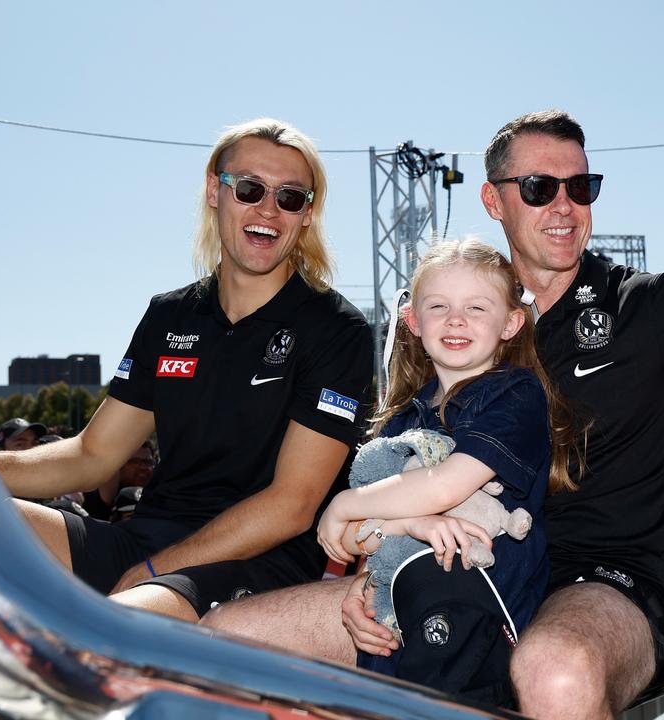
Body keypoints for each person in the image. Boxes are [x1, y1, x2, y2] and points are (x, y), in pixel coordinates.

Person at [195, 109, 664, 717]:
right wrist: (378, 577)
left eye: (582, 187)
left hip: (599, 582)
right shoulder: (455, 317)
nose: (565, 206)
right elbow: (408, 464)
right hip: (449, 568)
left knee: (554, 674)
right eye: (540, 188)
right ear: (494, 199)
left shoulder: (647, 306)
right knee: (226, 643)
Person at [0, 118, 374, 622]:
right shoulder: (170, 315)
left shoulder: (336, 328)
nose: (267, 209)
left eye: (290, 197)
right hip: (145, 543)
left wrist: (155, 569)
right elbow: (91, 454)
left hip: (256, 562)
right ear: (215, 190)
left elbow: (291, 505)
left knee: (119, 625)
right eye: (250, 188)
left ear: (306, 215)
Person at [207, 240, 570, 704]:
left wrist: (345, 504)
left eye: (476, 307)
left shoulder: (514, 395)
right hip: (396, 612)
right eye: (439, 306)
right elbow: (348, 540)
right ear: (413, 322)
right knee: (220, 639)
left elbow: (449, 483)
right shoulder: (403, 420)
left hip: (474, 617)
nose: (456, 319)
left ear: (511, 323)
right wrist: (403, 526)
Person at [81, 440, 156, 521]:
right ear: (119, 465)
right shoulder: (106, 495)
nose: (143, 467)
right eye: (135, 462)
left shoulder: (159, 494)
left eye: (148, 462)